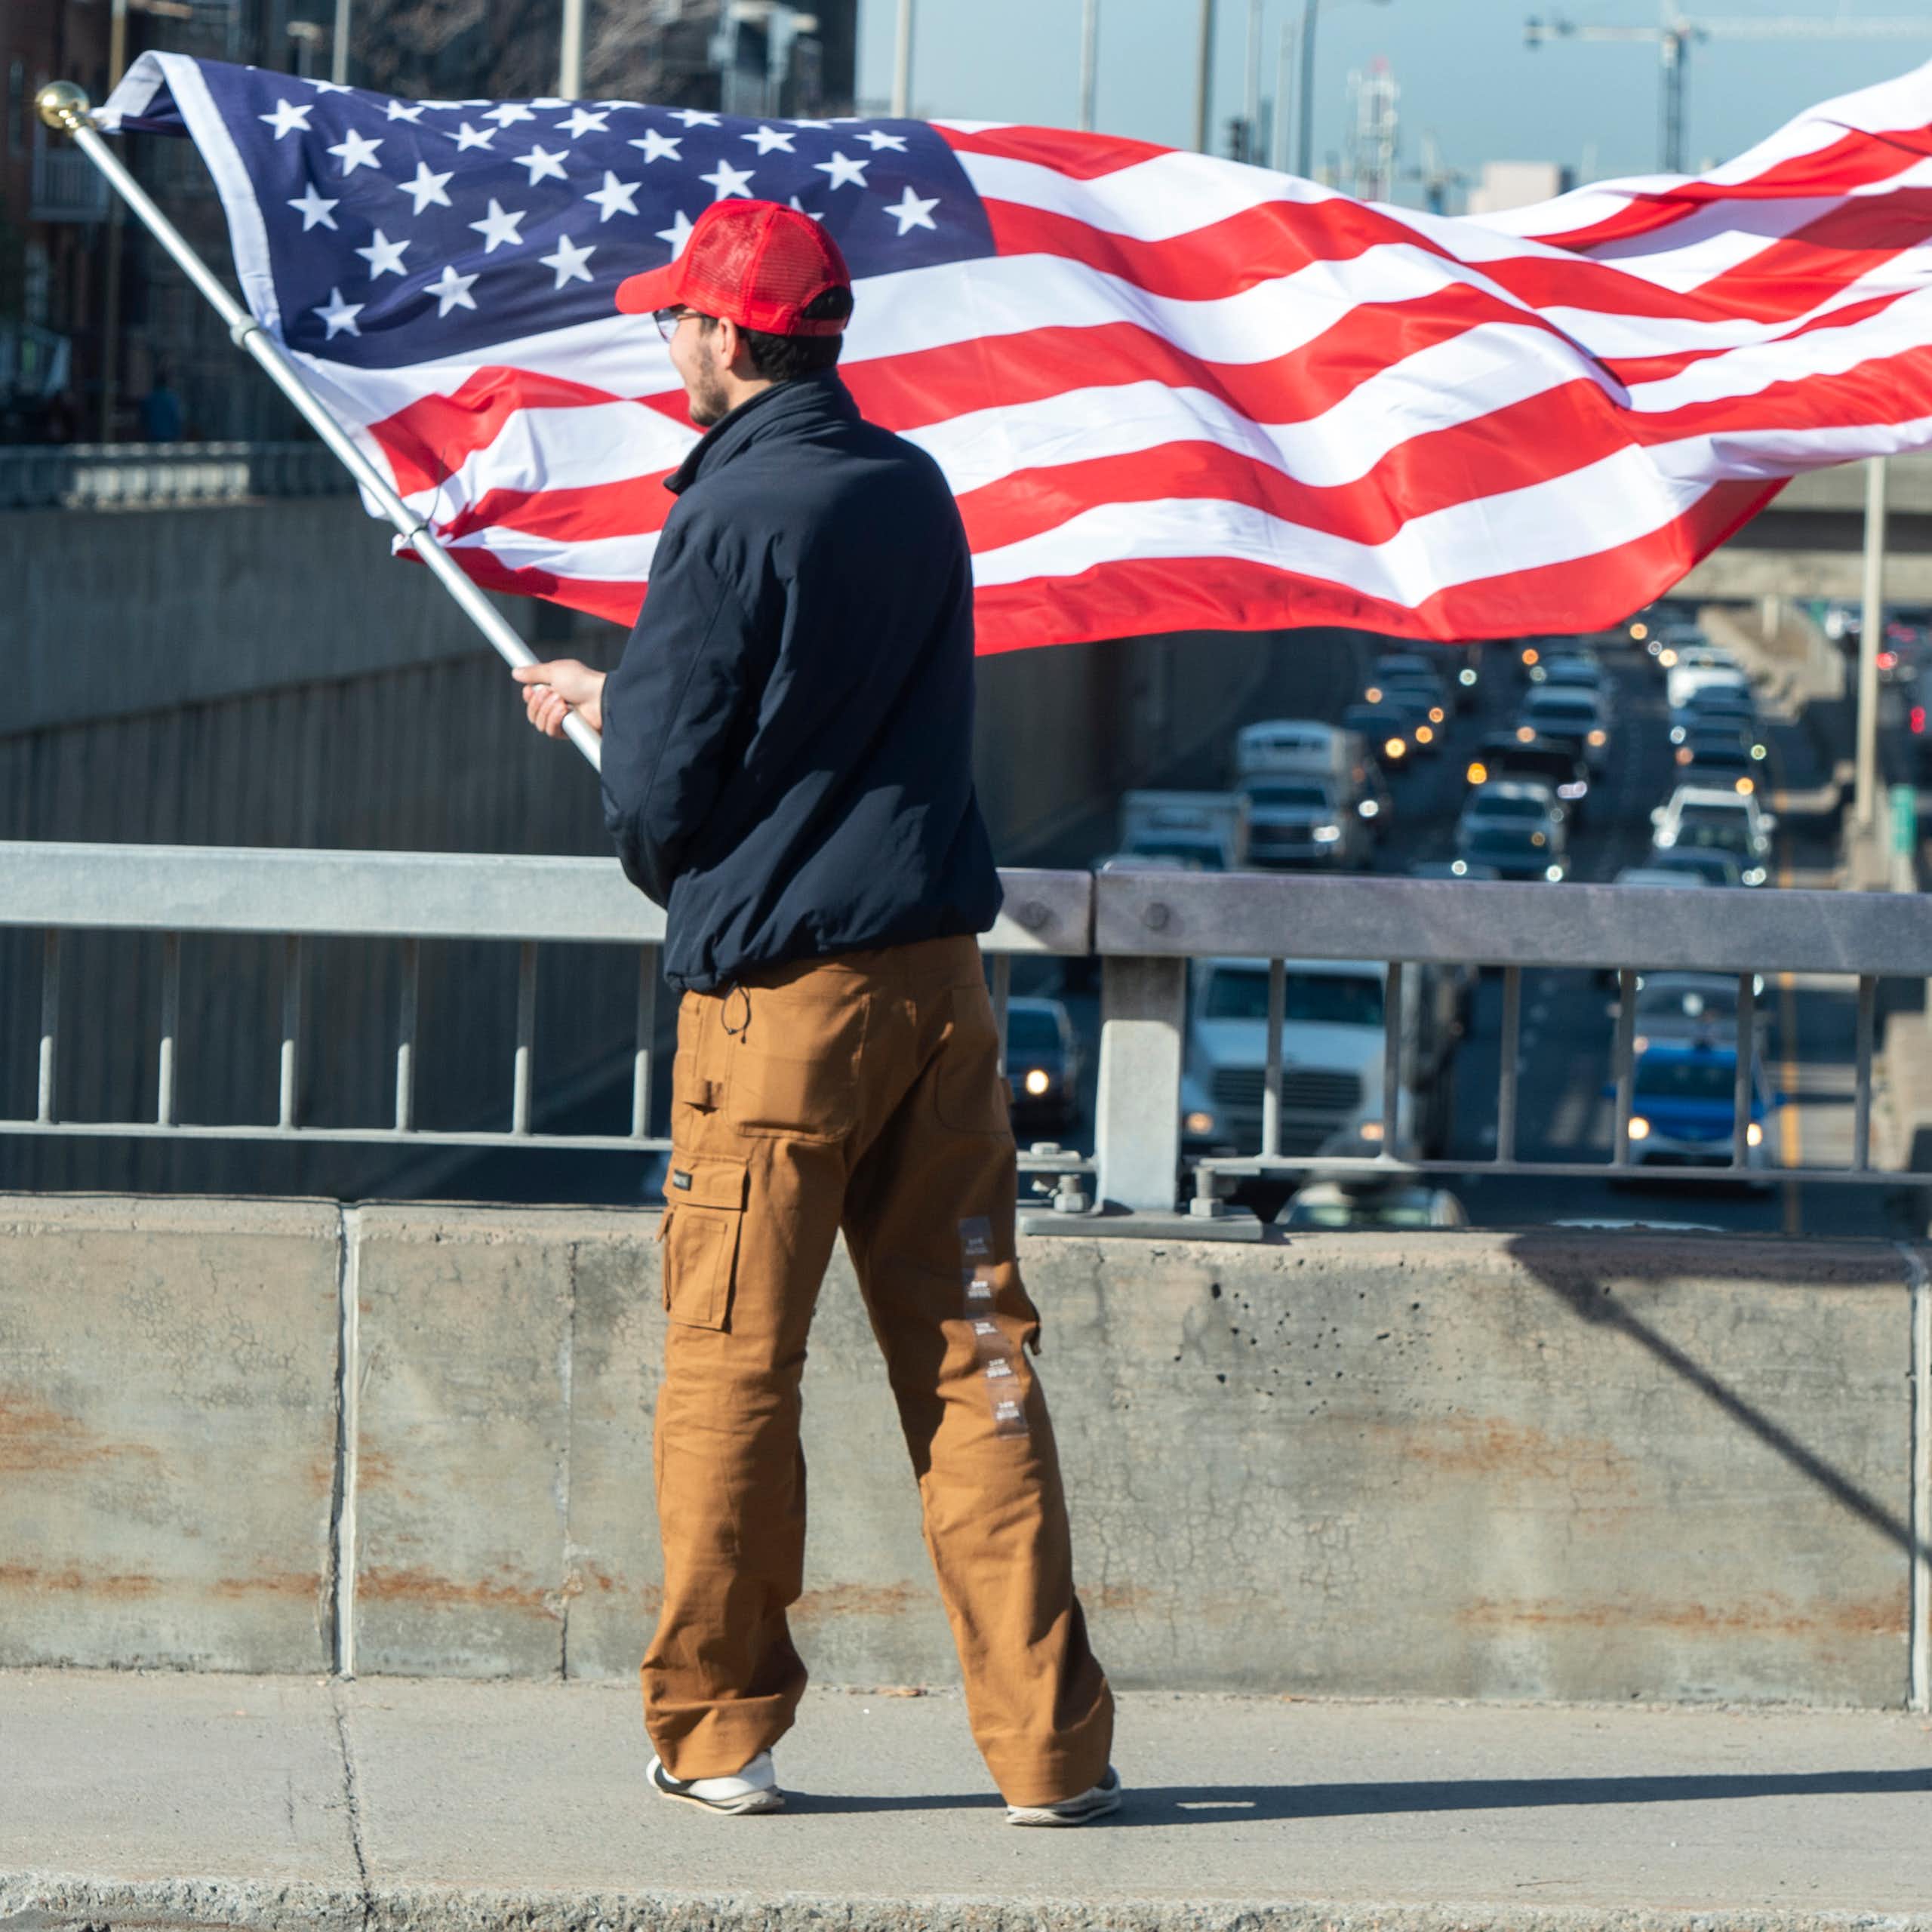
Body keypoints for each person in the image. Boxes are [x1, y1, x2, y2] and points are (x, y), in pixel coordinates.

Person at [513, 200, 1117, 1826]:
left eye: (672, 324)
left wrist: (610, 722)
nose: (663, 344)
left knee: (731, 1369)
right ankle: (1049, 1752)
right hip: (939, 996)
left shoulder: (719, 517)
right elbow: (816, 698)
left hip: (781, 1015)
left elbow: (662, 799)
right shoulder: (903, 487)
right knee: (973, 1354)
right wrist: (620, 688)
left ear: (721, 337)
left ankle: (717, 1731)